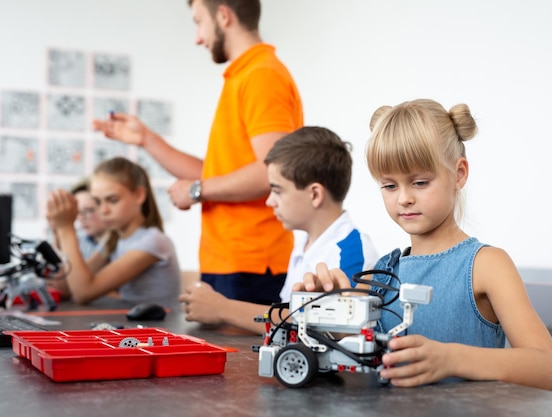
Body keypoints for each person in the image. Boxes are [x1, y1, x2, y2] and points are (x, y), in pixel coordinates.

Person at [295, 99, 552, 391]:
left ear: (459, 174)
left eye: (420, 182)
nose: (404, 198)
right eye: (389, 185)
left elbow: (550, 369)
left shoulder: (487, 265)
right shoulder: (380, 274)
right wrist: (325, 307)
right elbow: (341, 342)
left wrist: (450, 359)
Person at [92, 0, 303, 305]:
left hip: (251, 264)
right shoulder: (245, 76)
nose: (198, 37)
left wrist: (196, 190)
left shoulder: (261, 76)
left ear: (223, 15)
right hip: (232, 263)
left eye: (198, 22)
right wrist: (147, 140)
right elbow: (220, 173)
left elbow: (272, 172)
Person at [178, 126, 379, 334]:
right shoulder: (304, 242)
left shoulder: (352, 252)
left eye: (277, 190)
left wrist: (223, 309)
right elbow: (289, 313)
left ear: (315, 195)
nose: (269, 201)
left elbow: (329, 327)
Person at [46, 157, 181, 308]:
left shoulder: (153, 241)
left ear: (139, 195)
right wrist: (57, 232)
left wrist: (66, 229)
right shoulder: (114, 237)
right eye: (97, 202)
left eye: (112, 200)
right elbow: (65, 288)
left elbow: (83, 292)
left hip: (158, 328)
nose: (103, 210)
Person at [48, 179, 109, 299]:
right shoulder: (81, 240)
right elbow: (56, 285)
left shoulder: (113, 242)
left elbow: (77, 290)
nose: (82, 218)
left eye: (89, 210)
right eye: (78, 213)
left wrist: (64, 228)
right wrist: (56, 233)